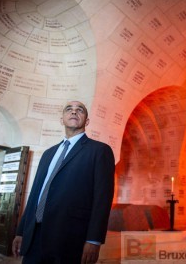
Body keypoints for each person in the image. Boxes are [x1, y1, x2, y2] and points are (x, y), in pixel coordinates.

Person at [12, 101, 115, 264]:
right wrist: (21, 231)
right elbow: (35, 195)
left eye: (79, 110)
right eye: (69, 109)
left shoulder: (99, 150)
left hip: (69, 238)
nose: (74, 112)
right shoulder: (48, 154)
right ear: (62, 119)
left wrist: (94, 239)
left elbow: (102, 198)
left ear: (86, 121)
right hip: (34, 236)